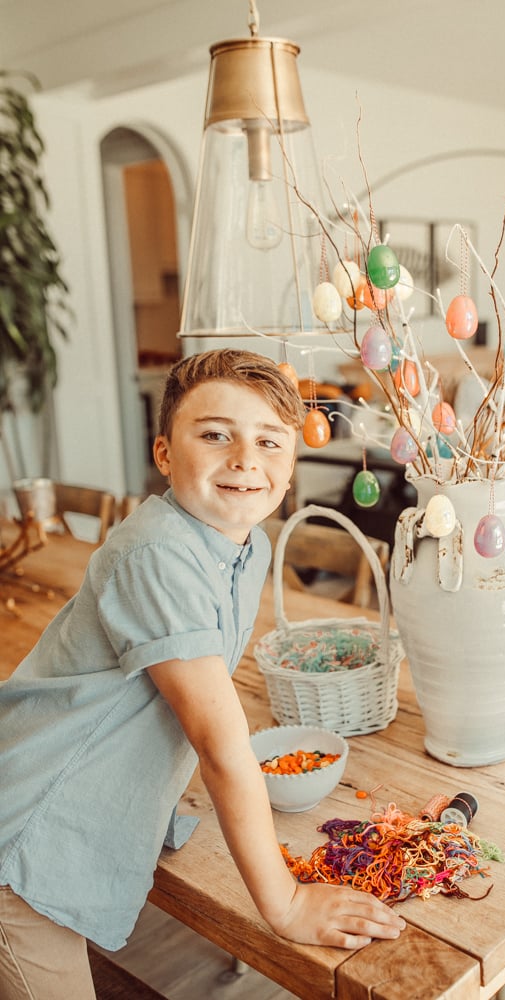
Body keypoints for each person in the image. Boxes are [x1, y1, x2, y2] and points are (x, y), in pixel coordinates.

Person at [0, 349, 405, 1000]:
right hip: (26, 836)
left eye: (269, 441)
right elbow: (220, 743)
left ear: (291, 462)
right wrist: (286, 905)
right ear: (163, 454)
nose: (245, 460)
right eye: (215, 434)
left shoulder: (247, 545)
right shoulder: (157, 551)